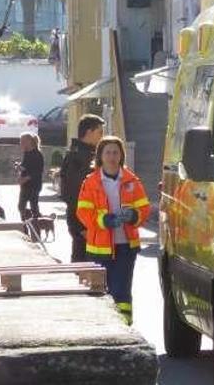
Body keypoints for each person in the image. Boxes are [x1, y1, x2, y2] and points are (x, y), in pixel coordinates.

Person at [77, 136, 150, 325]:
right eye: (107, 152)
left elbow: (144, 208)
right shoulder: (91, 181)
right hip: (99, 249)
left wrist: (134, 216)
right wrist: (102, 220)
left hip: (126, 246)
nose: (111, 156)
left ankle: (124, 327)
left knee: (122, 291)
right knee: (100, 291)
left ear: (121, 156)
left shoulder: (132, 180)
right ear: (100, 156)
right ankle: (101, 328)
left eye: (115, 152)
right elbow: (83, 212)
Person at [60, 114, 105, 262]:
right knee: (82, 266)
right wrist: (81, 227)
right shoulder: (78, 158)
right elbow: (73, 195)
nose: (102, 137)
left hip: (90, 223)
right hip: (83, 224)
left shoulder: (88, 155)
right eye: (100, 132)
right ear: (89, 132)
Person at [18, 133, 44, 222]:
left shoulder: (37, 154)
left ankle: (38, 224)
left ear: (28, 142)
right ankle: (25, 227)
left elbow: (37, 171)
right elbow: (25, 167)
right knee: (21, 206)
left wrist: (25, 178)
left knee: (34, 207)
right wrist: (19, 167)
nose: (20, 143)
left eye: (22, 141)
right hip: (25, 185)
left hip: (34, 185)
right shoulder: (26, 153)